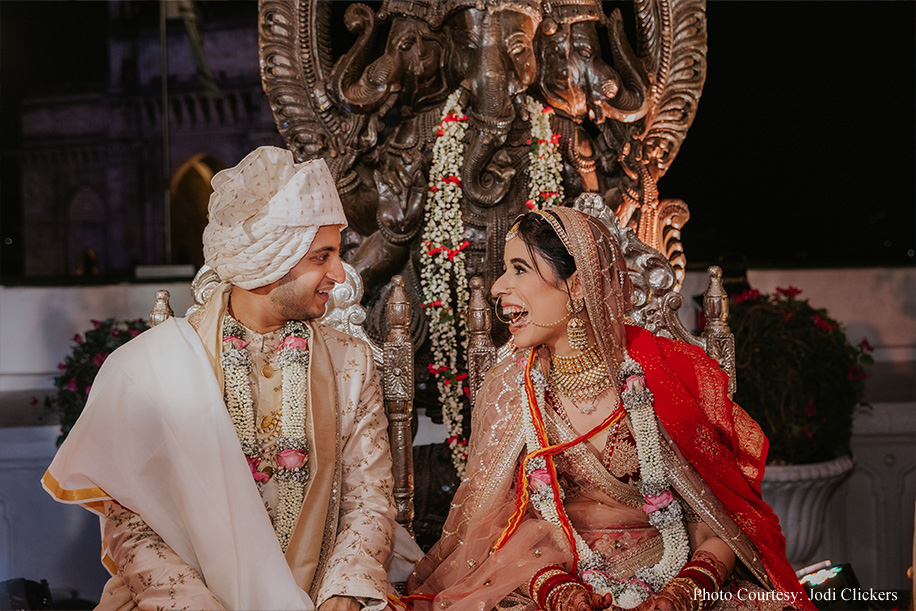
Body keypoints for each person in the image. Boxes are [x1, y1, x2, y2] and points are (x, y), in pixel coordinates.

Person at [405, 207, 814, 611]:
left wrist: (685, 591)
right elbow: (493, 526)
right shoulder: (510, 386)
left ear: (578, 284)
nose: (497, 287)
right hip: (545, 577)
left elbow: (722, 518)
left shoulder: (664, 373)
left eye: (519, 269)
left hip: (672, 572)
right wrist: (557, 590)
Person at [42, 147, 396, 611]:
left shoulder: (349, 361)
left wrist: (344, 594)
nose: (338, 273)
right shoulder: (152, 367)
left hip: (320, 590)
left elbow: (370, 499)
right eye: (321, 256)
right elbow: (134, 525)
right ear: (268, 262)